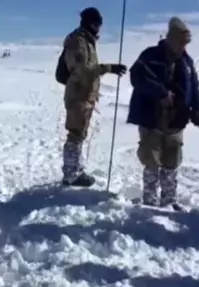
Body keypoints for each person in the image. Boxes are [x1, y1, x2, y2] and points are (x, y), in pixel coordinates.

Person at [126, 17, 199, 210]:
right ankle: (150, 201)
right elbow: (136, 77)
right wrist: (161, 93)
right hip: (151, 118)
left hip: (176, 120)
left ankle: (169, 200)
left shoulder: (187, 62)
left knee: (172, 161)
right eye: (182, 42)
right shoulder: (150, 55)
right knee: (151, 160)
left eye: (187, 43)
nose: (184, 46)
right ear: (171, 39)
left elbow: (194, 87)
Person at [60, 7, 127, 187]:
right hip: (78, 95)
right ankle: (71, 175)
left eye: (100, 25)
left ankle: (76, 170)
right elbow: (83, 71)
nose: (98, 28)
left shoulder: (86, 41)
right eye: (96, 24)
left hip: (84, 95)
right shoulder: (78, 41)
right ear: (88, 23)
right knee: (75, 134)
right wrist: (108, 68)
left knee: (79, 134)